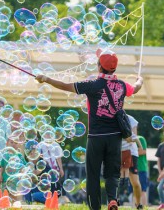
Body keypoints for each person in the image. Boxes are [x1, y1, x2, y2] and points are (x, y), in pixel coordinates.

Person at [35, 49, 143, 210]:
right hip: (115, 138)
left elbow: (66, 86)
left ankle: (95, 207)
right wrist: (140, 80)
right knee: (113, 173)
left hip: (96, 137)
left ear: (100, 66)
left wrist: (46, 79)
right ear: (114, 68)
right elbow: (136, 87)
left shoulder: (93, 85)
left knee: (93, 175)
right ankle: (112, 199)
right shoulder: (121, 85)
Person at [120, 115, 143, 209]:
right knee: (116, 181)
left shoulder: (131, 119)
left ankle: (138, 204)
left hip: (130, 152)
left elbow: (133, 137)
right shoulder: (110, 118)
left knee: (135, 183)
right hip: (116, 152)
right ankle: (113, 202)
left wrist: (137, 142)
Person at [137, 135, 148, 207]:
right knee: (133, 191)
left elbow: (144, 151)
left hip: (141, 169)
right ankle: (135, 206)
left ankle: (144, 206)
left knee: (143, 190)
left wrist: (132, 151)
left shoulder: (140, 138)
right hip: (132, 168)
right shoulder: (127, 140)